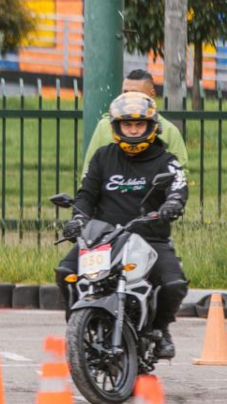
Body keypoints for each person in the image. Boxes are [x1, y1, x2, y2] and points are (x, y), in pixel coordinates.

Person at [58, 92, 188, 359]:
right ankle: (77, 328)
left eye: (138, 125)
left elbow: (178, 187)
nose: (133, 130)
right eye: (127, 125)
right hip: (104, 238)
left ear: (151, 126)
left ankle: (160, 330)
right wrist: (78, 220)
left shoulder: (167, 160)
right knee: (65, 272)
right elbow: (86, 195)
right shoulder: (102, 157)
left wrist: (172, 203)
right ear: (116, 127)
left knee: (174, 284)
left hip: (150, 237)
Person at [83, 69, 187, 172]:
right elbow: (89, 167)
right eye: (125, 92)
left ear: (152, 94)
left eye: (134, 93)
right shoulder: (105, 125)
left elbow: (180, 173)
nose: (128, 98)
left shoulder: (169, 131)